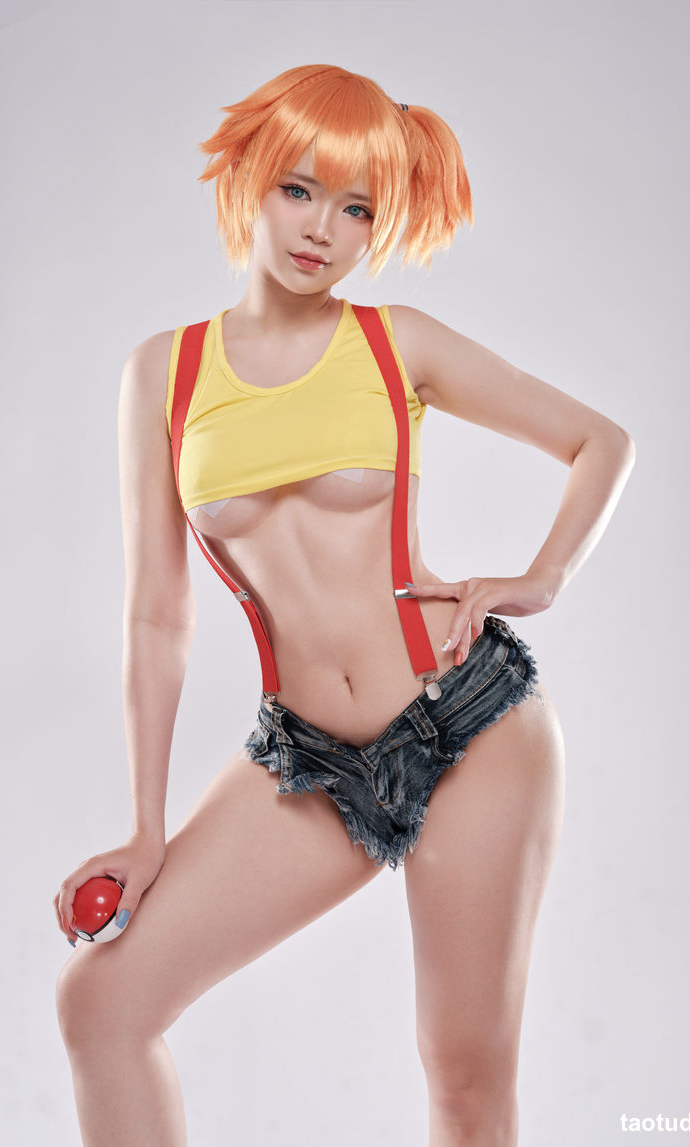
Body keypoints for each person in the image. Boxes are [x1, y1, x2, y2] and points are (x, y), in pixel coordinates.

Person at [53, 64, 635, 1147]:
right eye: (299, 190)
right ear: (247, 178)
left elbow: (599, 441)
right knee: (102, 1006)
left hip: (469, 720)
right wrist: (145, 828)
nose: (323, 229)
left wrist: (542, 575)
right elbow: (156, 617)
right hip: (311, 758)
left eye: (357, 208)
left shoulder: (394, 341)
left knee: (464, 1071)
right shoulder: (164, 374)